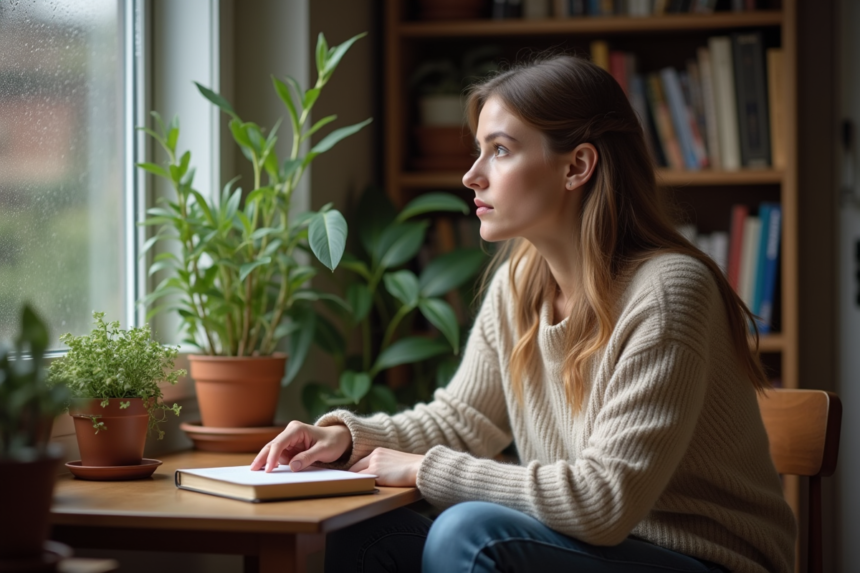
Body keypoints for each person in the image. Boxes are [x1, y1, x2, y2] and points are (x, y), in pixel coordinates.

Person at [251, 54, 796, 573]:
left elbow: (604, 501)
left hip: (705, 558)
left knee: (470, 533)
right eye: (478, 151)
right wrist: (351, 438)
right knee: (362, 530)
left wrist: (424, 468)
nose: (472, 176)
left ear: (577, 166)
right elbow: (463, 421)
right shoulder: (520, 282)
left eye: (501, 150)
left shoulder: (669, 293)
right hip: (588, 549)